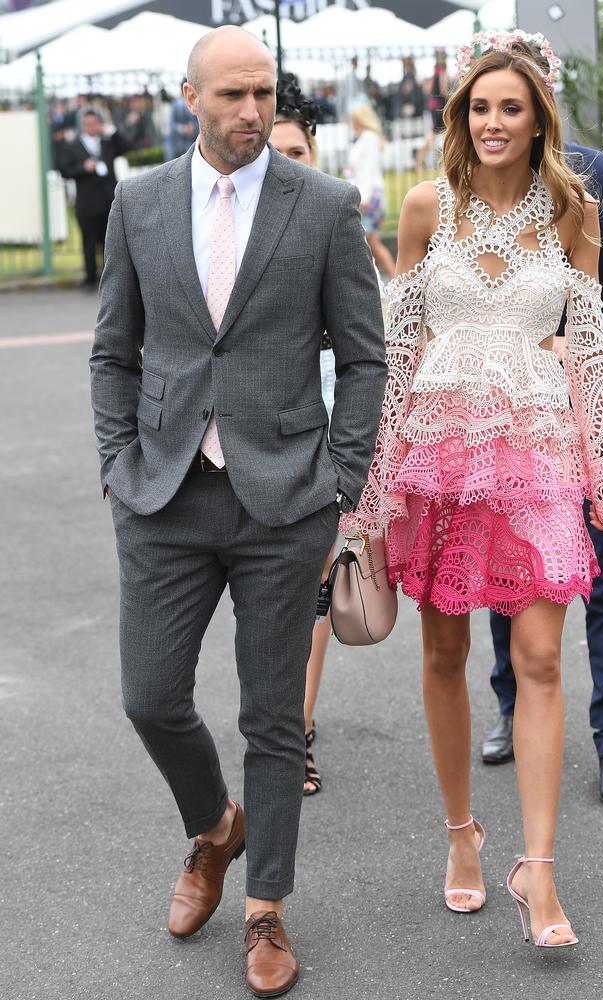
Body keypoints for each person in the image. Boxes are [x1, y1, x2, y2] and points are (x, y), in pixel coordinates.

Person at [89, 26, 386, 998]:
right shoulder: (138, 201)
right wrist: (115, 462)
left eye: (263, 92)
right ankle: (214, 827)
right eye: (231, 96)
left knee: (272, 719)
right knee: (149, 695)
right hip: (164, 494)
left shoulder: (326, 207)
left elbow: (364, 355)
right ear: (190, 98)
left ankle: (265, 909)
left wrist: (340, 479)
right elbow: (113, 350)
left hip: (282, 501)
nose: (251, 111)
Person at [341, 30, 603, 949]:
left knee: (545, 658)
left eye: (510, 107)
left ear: (539, 117)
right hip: (436, 462)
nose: (491, 122)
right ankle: (462, 837)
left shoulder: (575, 214)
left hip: (540, 458)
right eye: (479, 107)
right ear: (460, 116)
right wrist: (364, 490)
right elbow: (398, 359)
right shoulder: (425, 208)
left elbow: (593, 350)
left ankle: (540, 872)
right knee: (442, 657)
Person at [482, 144, 603, 805]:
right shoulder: (469, 188)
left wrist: (581, 335)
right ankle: (510, 705)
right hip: (507, 409)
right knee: (507, 569)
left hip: (588, 409)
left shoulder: (602, 177)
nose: (499, 119)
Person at [269, 72, 334, 797]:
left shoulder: (331, 217)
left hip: (324, 426)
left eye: (298, 149)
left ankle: (299, 730)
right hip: (257, 430)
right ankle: (281, 719)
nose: (287, 161)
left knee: (315, 583)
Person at [58, 106, 131, 288]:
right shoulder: (73, 146)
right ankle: (90, 277)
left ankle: (113, 279)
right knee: (89, 242)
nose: (91, 127)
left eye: (94, 123)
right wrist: (84, 167)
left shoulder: (107, 142)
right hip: (88, 203)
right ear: (82, 125)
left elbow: (128, 147)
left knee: (112, 243)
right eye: (87, 124)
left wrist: (112, 131)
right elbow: (64, 170)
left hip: (108, 200)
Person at [345, 103, 396, 279]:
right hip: (371, 194)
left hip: (370, 196)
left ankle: (396, 279)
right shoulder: (366, 139)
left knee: (371, 241)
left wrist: (363, 198)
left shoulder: (368, 138)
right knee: (368, 241)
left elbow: (367, 169)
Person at [165, 78, 200, 160]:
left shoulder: (196, 102)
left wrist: (193, 127)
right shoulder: (175, 104)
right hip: (178, 144)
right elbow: (171, 124)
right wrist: (182, 129)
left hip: (192, 142)